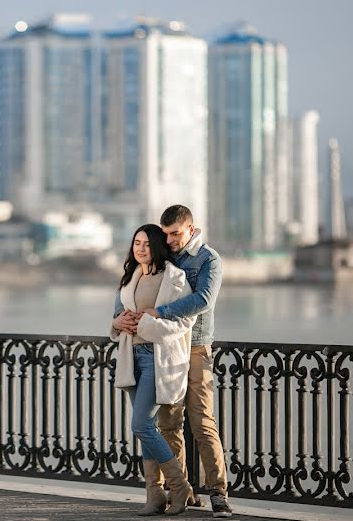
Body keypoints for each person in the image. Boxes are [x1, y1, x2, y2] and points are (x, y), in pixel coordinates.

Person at [140, 204, 233, 518]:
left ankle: (219, 495)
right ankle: (183, 492)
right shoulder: (165, 255)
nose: (169, 240)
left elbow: (204, 300)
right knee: (169, 424)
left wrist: (160, 313)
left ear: (191, 229)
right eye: (165, 235)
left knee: (203, 423)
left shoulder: (209, 259)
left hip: (195, 349)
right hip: (166, 348)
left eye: (175, 234)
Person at [111, 223, 197, 516]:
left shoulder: (174, 279)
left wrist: (147, 324)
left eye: (147, 244)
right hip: (131, 358)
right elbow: (116, 317)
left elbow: (184, 321)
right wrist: (117, 324)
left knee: (142, 425)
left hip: (156, 358)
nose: (141, 248)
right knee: (144, 427)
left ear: (158, 246)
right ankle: (155, 496)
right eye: (136, 243)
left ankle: (180, 485)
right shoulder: (129, 279)